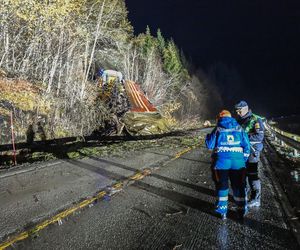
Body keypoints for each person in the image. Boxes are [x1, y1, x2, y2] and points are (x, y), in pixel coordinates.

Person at [206, 110, 250, 219]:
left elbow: (209, 145)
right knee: (239, 186)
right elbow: (247, 147)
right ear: (231, 118)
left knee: (222, 186)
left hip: (221, 163)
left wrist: (208, 136)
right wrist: (242, 160)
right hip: (238, 163)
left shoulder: (218, 128)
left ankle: (222, 211)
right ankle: (241, 211)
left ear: (219, 118)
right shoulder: (239, 128)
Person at [234, 100, 265, 208]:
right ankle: (244, 195)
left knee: (252, 174)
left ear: (245, 109)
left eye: (239, 111)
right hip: (241, 151)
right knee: (242, 173)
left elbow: (259, 136)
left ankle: (256, 199)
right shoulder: (239, 121)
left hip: (252, 151)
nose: (237, 113)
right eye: (236, 111)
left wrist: (243, 138)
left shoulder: (256, 119)